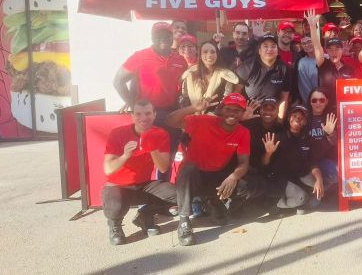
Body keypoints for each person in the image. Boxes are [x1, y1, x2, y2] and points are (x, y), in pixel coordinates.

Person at [167, 93, 254, 246]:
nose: (232, 113)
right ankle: (184, 221)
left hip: (215, 175)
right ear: (221, 109)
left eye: (237, 110)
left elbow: (243, 162)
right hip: (193, 176)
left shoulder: (243, 132)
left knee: (244, 187)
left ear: (242, 113)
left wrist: (233, 177)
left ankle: (213, 202)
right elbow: (170, 121)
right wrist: (193, 108)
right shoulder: (204, 121)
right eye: (228, 109)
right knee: (188, 169)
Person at [114, 22, 187, 180]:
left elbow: (185, 87)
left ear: (172, 37)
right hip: (147, 116)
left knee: (166, 161)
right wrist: (133, 104)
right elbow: (118, 81)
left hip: (171, 115)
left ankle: (161, 192)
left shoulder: (180, 60)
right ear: (152, 37)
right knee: (143, 157)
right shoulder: (140, 56)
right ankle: (143, 190)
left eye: (166, 35)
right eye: (158, 35)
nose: (163, 38)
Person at [102, 99, 176, 245]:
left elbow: (163, 168)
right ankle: (115, 224)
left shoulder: (160, 133)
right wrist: (125, 156)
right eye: (138, 114)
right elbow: (108, 169)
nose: (143, 118)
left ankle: (144, 215)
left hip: (143, 185)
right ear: (132, 116)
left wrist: (153, 148)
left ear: (154, 115)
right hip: (117, 186)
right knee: (116, 206)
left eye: (148, 113)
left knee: (178, 195)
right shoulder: (118, 133)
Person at [261, 105, 325, 217]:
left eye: (301, 117)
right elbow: (264, 164)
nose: (297, 118)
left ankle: (305, 198)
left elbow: (313, 163)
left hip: (298, 177)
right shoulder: (278, 137)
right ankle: (276, 204)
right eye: (294, 115)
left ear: (305, 122)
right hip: (280, 180)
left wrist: (319, 180)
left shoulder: (307, 139)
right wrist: (269, 153)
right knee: (301, 198)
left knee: (319, 183)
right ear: (289, 118)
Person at [305, 9, 357, 101]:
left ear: (342, 50)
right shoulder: (323, 65)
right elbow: (317, 46)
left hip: (344, 107)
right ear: (327, 51)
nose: (334, 52)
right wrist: (312, 26)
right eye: (331, 49)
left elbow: (355, 90)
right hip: (326, 107)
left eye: (337, 49)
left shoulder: (350, 69)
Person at [238, 33, 293, 119]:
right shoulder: (246, 67)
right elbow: (236, 93)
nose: (269, 49)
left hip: (273, 116)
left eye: (273, 46)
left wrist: (280, 121)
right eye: (266, 46)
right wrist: (241, 116)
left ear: (277, 50)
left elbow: (284, 99)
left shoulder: (285, 69)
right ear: (259, 50)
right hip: (249, 115)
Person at [178, 40, 241, 114]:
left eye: (213, 52)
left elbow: (226, 101)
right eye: (205, 52)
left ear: (217, 55)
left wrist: (213, 114)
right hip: (192, 117)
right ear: (200, 56)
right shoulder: (189, 74)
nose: (209, 55)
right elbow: (184, 99)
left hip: (215, 117)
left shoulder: (226, 75)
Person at [307, 88, 339, 190]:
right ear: (310, 102)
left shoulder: (331, 117)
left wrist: (330, 133)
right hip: (308, 162)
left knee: (337, 172)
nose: (318, 103)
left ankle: (324, 187)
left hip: (325, 161)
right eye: (314, 100)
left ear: (327, 102)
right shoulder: (304, 118)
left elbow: (336, 143)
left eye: (322, 100)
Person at [243, 98, 283, 170]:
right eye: (265, 109)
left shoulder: (281, 129)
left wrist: (269, 153)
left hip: (268, 169)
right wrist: (241, 119)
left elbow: (267, 163)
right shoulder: (249, 124)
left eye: (272, 109)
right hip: (245, 165)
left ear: (277, 112)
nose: (268, 112)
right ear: (260, 110)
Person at [292, 34, 318, 104]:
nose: (307, 45)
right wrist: (312, 103)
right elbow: (305, 87)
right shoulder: (302, 63)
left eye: (309, 42)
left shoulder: (327, 57)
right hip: (314, 102)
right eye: (304, 44)